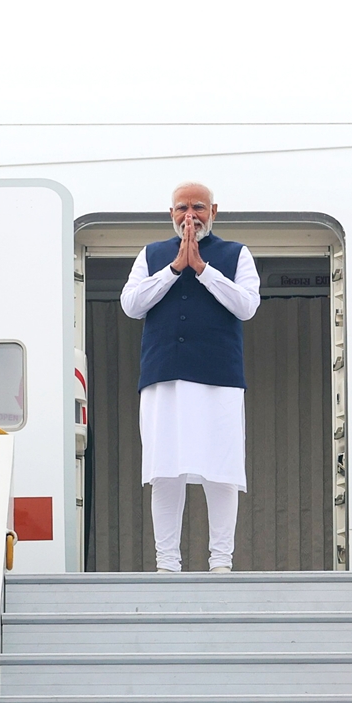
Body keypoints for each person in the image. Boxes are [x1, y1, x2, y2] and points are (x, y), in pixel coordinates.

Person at [120, 182, 260, 572]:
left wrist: (202, 270)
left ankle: (221, 563)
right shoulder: (152, 256)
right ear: (171, 214)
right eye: (182, 208)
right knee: (165, 468)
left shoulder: (236, 254)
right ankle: (167, 563)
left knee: (222, 468)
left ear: (214, 210)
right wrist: (174, 269)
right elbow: (131, 305)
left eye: (198, 207)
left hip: (220, 377)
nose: (190, 215)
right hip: (165, 377)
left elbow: (247, 305)